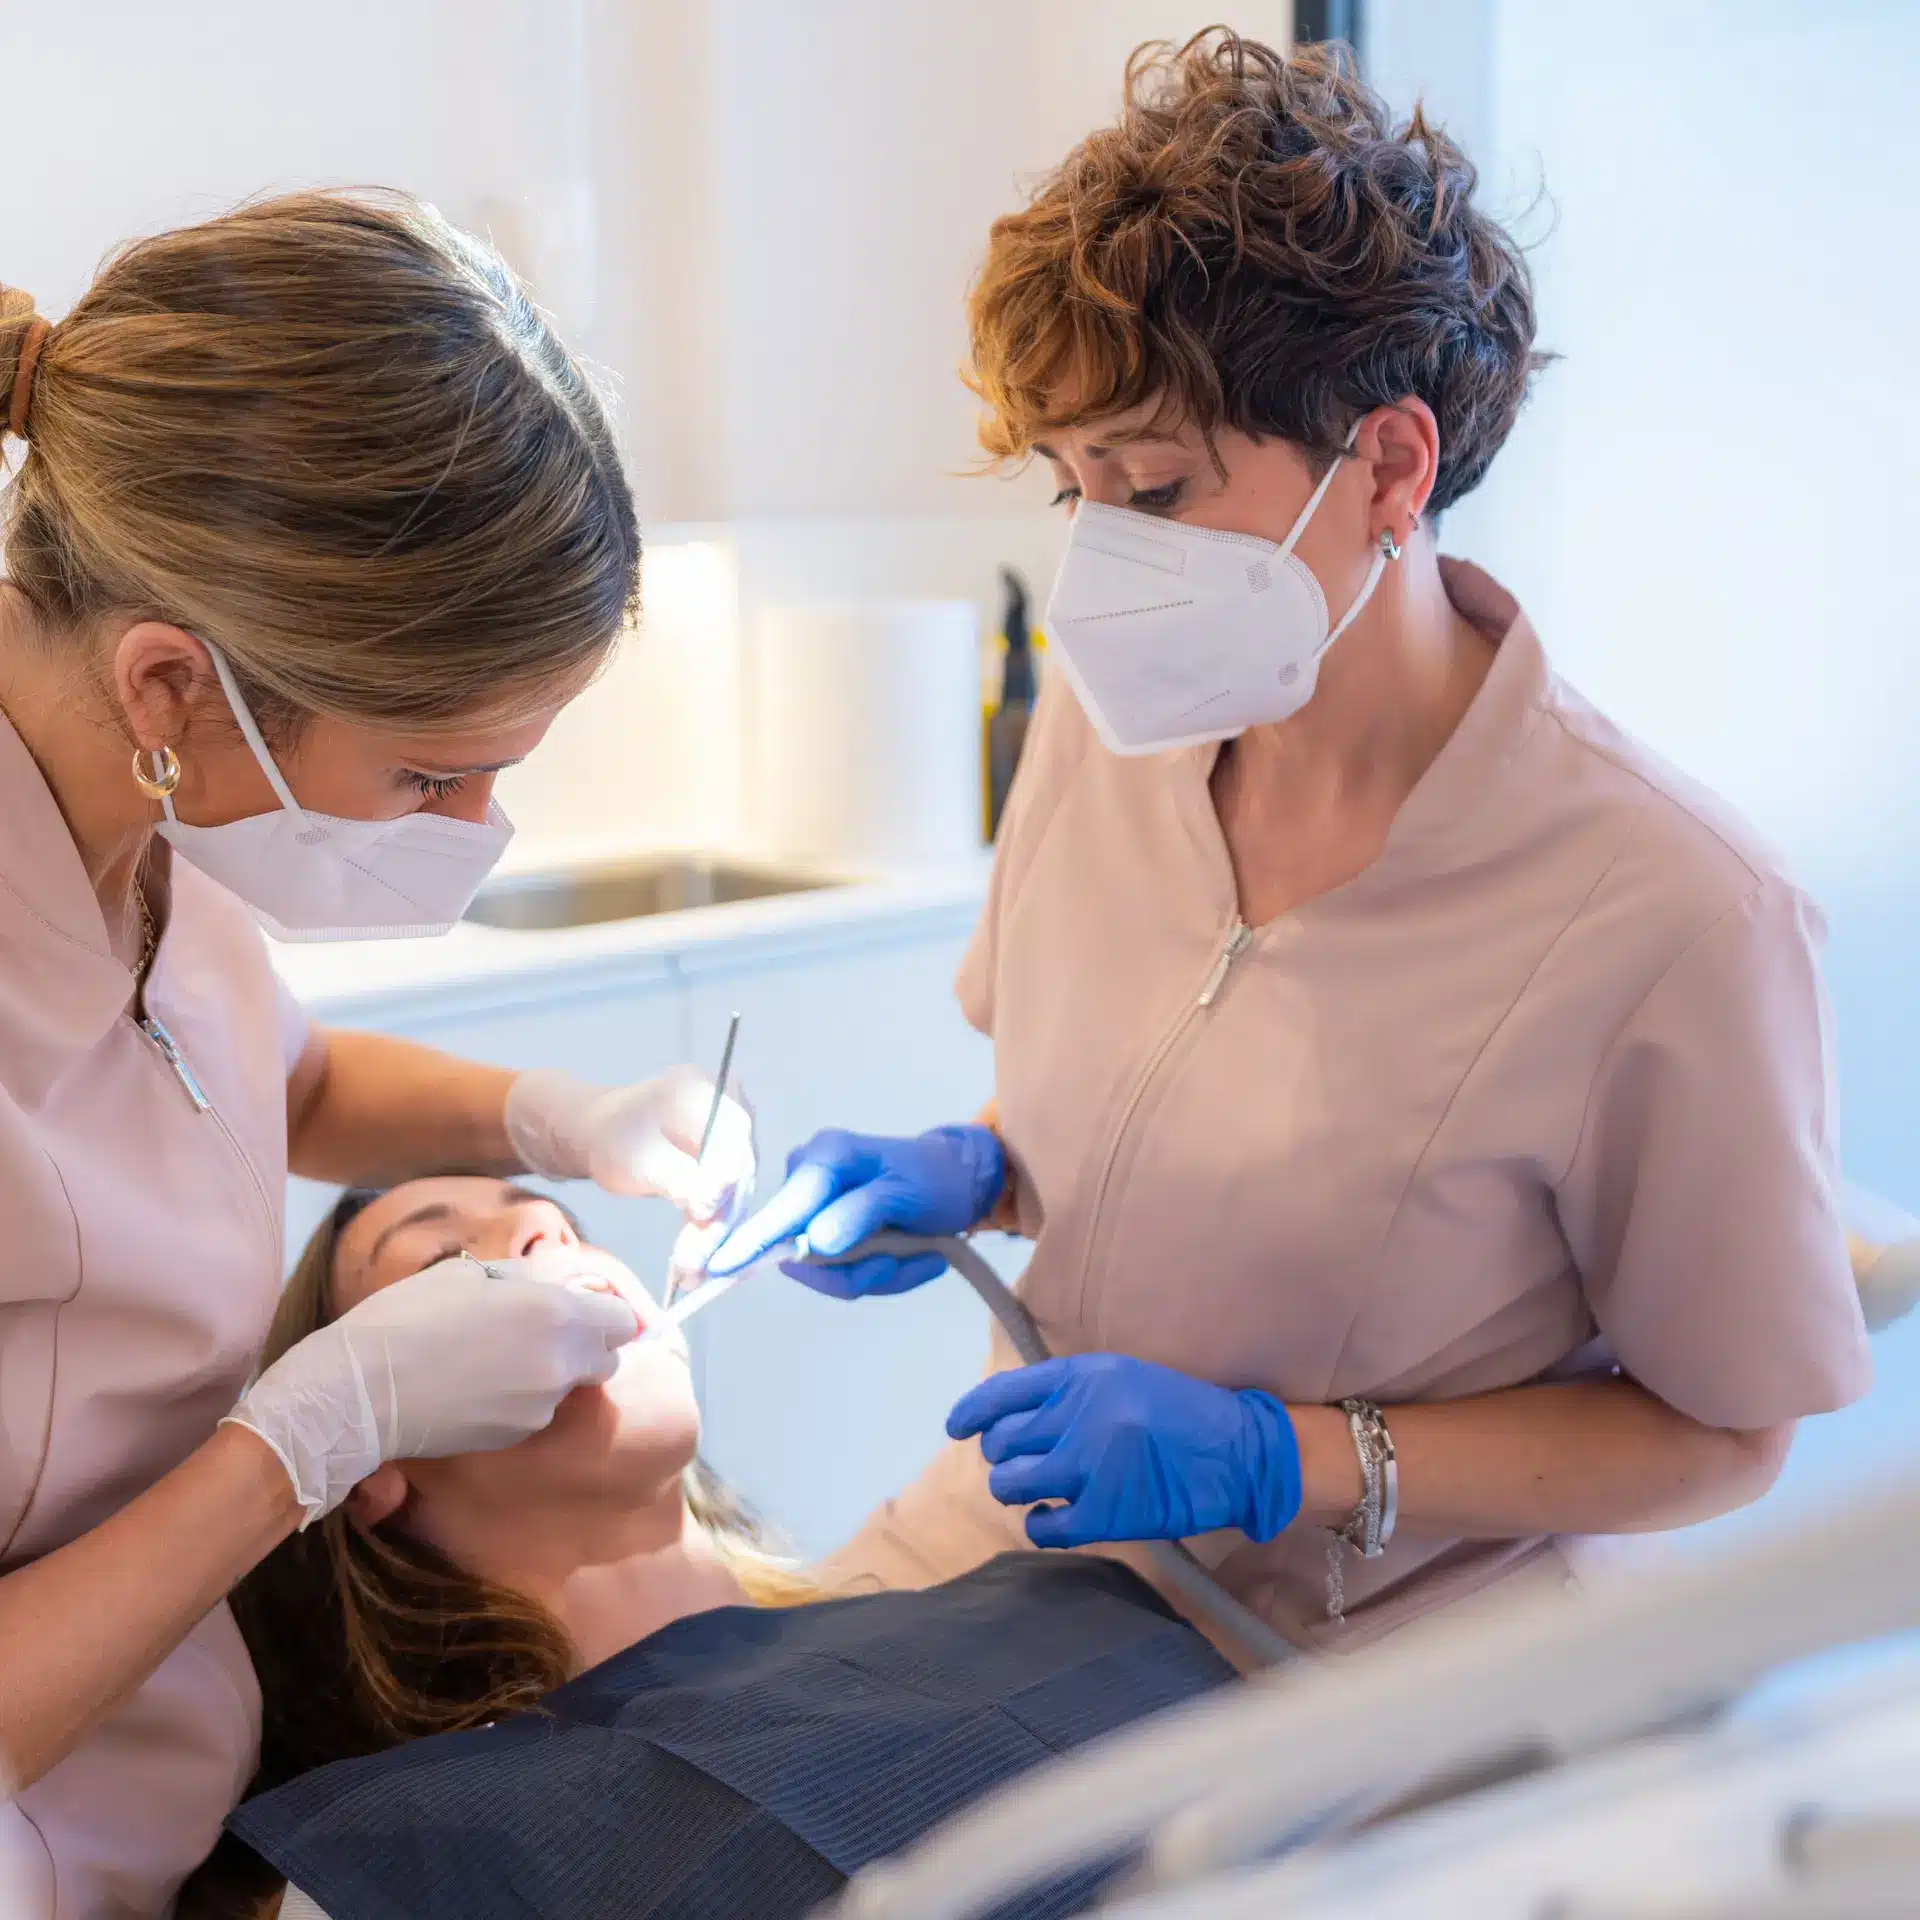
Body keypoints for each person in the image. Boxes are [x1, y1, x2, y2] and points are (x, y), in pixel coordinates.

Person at [709, 33, 1873, 1648]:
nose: (1108, 557)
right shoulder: (1110, 735)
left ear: (1391, 463)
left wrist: (1285, 1460)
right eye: (1074, 490)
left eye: (1161, 487)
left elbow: (1725, 1436)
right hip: (1029, 1560)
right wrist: (977, 1175)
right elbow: (1171, 1075)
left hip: (1360, 1658)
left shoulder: (1672, 912)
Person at [0, 192, 753, 1917]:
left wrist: (567, 1120)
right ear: (171, 687)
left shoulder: (147, 824)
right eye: (429, 780)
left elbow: (277, 1079)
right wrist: (309, 1436)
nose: (479, 831)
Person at [180, 1179, 1234, 1920]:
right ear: (369, 1458)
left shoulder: (1051, 1604)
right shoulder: (408, 1854)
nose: (546, 1221)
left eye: (549, 1213)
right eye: (447, 1254)